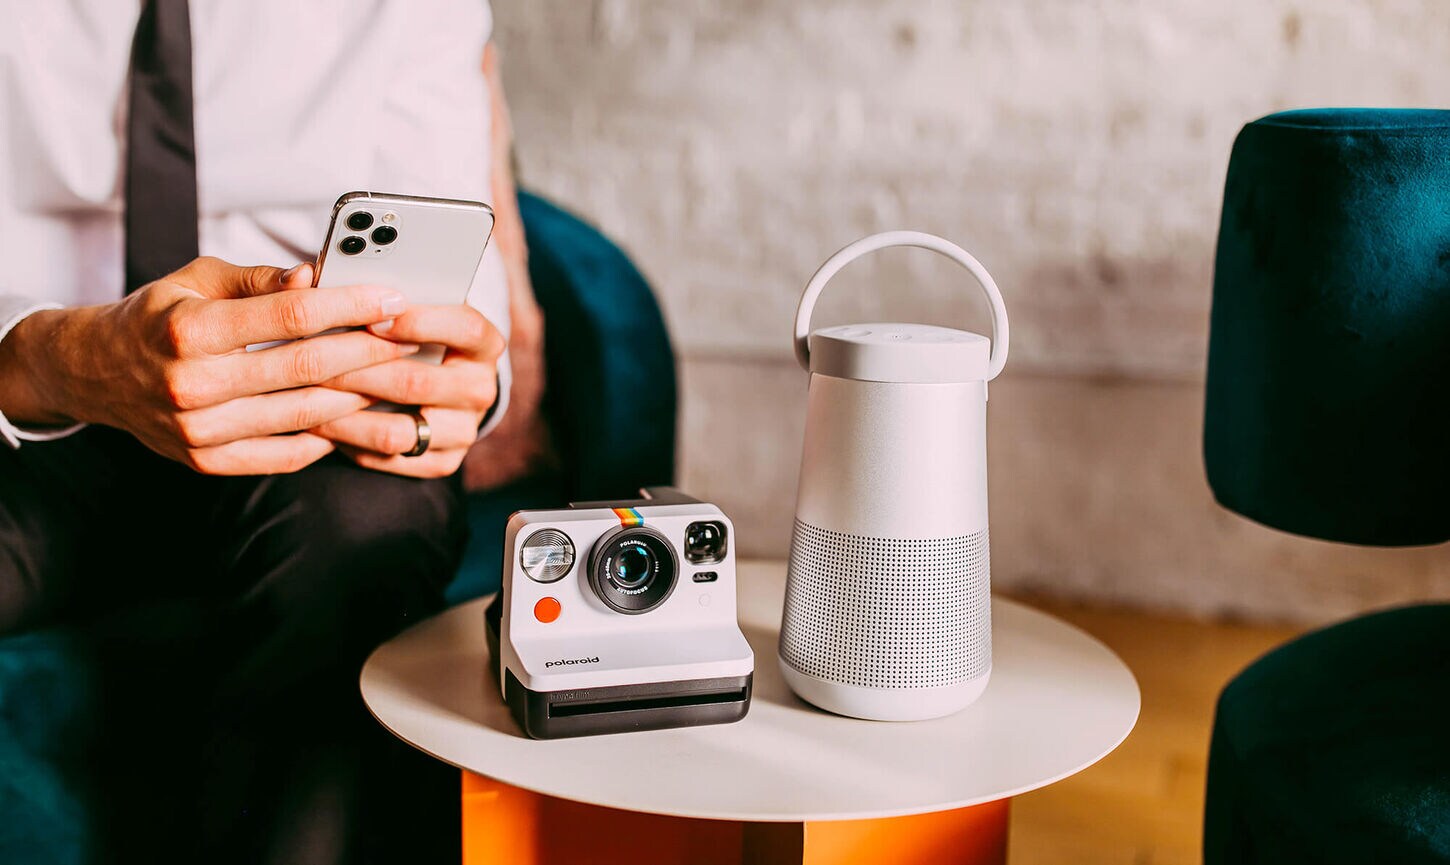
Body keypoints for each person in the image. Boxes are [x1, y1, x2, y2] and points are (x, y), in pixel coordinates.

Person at [0, 1, 547, 862]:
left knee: (370, 528)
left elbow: (453, 276)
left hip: (302, 411)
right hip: (35, 405)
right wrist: (45, 364)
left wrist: (452, 388)